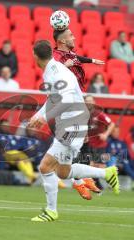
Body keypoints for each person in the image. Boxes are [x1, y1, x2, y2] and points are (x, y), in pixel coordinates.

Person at [29, 40, 119, 222]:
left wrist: (44, 118)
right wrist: (38, 115)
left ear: (35, 56)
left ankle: (51, 211)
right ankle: (107, 173)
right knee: (63, 171)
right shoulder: (54, 69)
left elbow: (68, 98)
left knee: (45, 166)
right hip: (73, 123)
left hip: (72, 124)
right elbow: (54, 99)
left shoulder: (54, 73)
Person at [53, 28, 104, 199]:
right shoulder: (57, 56)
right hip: (66, 101)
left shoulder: (70, 54)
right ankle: (78, 181)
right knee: (68, 144)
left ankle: (82, 179)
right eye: (70, 35)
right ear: (62, 40)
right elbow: (53, 71)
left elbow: (77, 58)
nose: (74, 37)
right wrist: (63, 67)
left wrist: (91, 60)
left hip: (76, 98)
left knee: (79, 142)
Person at [0, 119, 38, 184]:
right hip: (5, 154)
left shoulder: (11, 135)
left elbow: (18, 145)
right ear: (0, 126)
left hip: (15, 153)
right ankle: (31, 176)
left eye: (7, 125)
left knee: (25, 159)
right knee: (20, 158)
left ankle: (30, 177)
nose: (6, 126)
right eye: (4, 125)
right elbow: (2, 147)